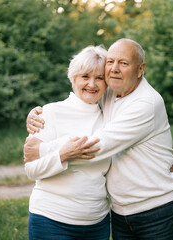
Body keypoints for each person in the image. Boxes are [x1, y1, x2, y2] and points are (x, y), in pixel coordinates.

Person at [27, 38, 173, 239]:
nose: (114, 69)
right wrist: (35, 115)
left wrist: (44, 150)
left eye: (124, 63)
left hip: (154, 209)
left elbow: (100, 145)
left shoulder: (145, 102)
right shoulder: (108, 94)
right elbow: (79, 101)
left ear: (140, 69)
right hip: (116, 214)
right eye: (110, 62)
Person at [24, 45, 111, 240]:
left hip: (97, 223)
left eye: (99, 78)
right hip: (51, 220)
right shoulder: (49, 113)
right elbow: (31, 170)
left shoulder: (111, 118)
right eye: (85, 76)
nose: (92, 84)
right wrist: (63, 155)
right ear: (73, 78)